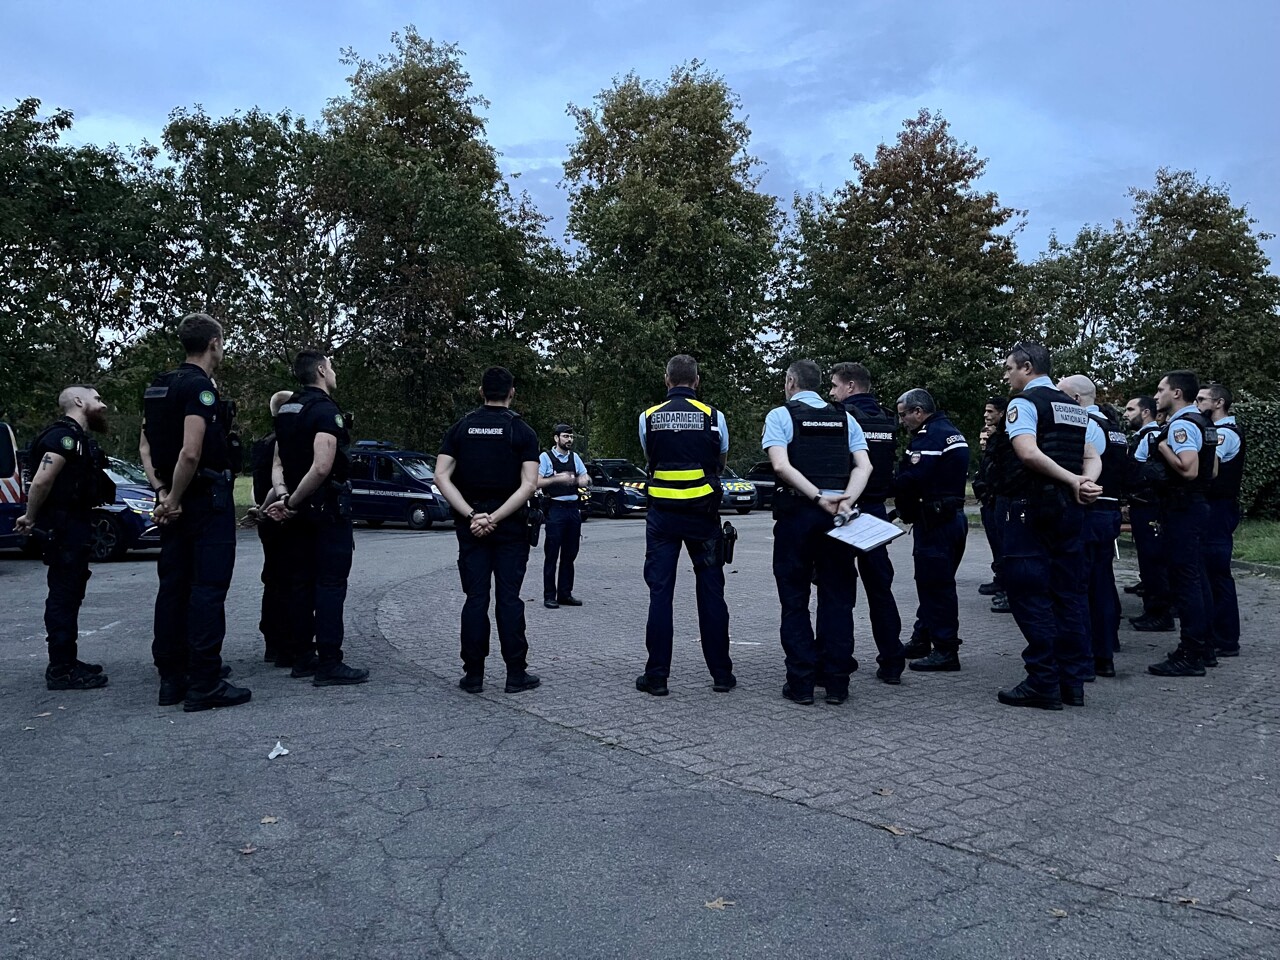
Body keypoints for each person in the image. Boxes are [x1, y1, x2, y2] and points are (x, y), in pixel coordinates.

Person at [139, 313, 250, 711]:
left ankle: (172, 678)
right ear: (214, 344)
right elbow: (191, 450)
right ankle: (205, 682)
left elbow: (146, 447)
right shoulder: (200, 389)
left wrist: (162, 493)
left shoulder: (158, 387)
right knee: (207, 589)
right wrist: (176, 497)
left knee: (173, 587)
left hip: (173, 499)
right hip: (203, 499)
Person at [994, 342, 1101, 710]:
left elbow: (1026, 451)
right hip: (1070, 513)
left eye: (1009, 367)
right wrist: (1085, 482)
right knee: (1067, 596)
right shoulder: (1073, 406)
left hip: (1031, 509)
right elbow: (1092, 455)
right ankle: (1072, 683)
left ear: (1026, 367)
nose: (1006, 374)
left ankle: (1043, 681)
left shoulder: (1024, 403)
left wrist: (1073, 481)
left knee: (1030, 596)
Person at [764, 360, 873, 705]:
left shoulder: (780, 416)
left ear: (791, 382)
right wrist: (845, 500)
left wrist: (816, 496)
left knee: (794, 600)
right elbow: (865, 465)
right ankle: (836, 682)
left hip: (798, 514)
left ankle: (801, 683)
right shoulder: (846, 417)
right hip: (838, 518)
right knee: (837, 599)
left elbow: (781, 465)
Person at [434, 366, 541, 695]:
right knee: (509, 599)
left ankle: (474, 675)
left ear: (481, 391)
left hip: (471, 529)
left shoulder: (461, 428)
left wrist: (472, 515)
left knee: (475, 599)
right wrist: (494, 517)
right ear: (512, 392)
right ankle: (515, 674)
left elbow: (440, 476)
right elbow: (529, 485)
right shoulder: (522, 432)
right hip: (509, 527)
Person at [634, 355, 733, 697]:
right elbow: (720, 461)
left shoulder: (648, 417)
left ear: (667, 379)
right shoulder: (714, 417)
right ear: (697, 381)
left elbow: (651, 458)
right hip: (703, 515)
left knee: (660, 594)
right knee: (711, 592)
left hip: (662, 516)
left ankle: (657, 676)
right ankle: (722, 674)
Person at [268, 352, 369, 686]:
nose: (335, 372)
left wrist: (284, 496)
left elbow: (280, 460)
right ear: (322, 370)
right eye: (333, 366)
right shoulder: (325, 410)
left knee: (300, 583)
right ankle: (329, 661)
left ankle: (301, 657)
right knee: (329, 584)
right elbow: (323, 465)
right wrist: (295, 501)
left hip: (297, 514)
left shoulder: (287, 409)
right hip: (325, 511)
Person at [14, 386, 114, 690]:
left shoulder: (77, 439)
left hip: (74, 526)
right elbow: (43, 480)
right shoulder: (63, 438)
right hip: (64, 528)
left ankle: (67, 660)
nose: (104, 405)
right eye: (97, 399)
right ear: (80, 401)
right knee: (63, 597)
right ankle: (60, 669)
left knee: (70, 595)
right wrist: (30, 517)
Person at [828, 362, 906, 683]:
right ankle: (892, 662)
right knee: (880, 590)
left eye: (834, 386)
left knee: (840, 591)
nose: (831, 392)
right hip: (875, 511)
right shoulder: (888, 419)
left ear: (850, 386)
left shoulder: (841, 417)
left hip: (847, 510)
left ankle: (841, 660)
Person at [1142, 371, 1219, 677]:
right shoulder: (1205, 423)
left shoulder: (1181, 426)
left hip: (1182, 507)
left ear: (1176, 393)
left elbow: (1188, 470)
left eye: (1161, 390)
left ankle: (1190, 653)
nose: (1156, 395)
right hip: (1197, 505)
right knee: (1197, 578)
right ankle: (1205, 646)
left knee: (1186, 581)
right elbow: (1211, 471)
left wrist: (1161, 447)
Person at [894, 389, 970, 672]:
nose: (902, 421)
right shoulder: (950, 431)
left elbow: (914, 477)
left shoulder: (930, 437)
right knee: (933, 582)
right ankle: (923, 637)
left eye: (904, 415)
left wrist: (886, 486)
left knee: (936, 586)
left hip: (936, 520)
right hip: (951, 517)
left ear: (918, 411)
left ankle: (946, 649)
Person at [1058, 375, 1127, 679]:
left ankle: (1085, 657)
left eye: (1061, 396)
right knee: (1102, 583)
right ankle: (1105, 651)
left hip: (1089, 509)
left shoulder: (1086, 425)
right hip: (1109, 510)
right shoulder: (1116, 429)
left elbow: (1085, 466)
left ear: (1075, 399)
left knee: (1080, 586)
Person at [1196, 383, 1245, 658]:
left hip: (1218, 508)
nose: (1198, 403)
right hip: (1216, 508)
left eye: (1202, 399)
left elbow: (1211, 467)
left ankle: (1225, 637)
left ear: (1219, 403)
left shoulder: (1225, 434)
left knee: (1216, 571)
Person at [249, 390, 295, 666]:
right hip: (278, 513)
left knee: (272, 579)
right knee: (288, 581)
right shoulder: (285, 443)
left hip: (265, 520)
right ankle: (287, 640)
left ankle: (272, 640)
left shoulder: (261, 444)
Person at [1123, 395, 1172, 629]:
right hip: (1141, 503)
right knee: (1147, 558)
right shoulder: (1143, 436)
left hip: (1150, 505)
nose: (1125, 414)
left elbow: (1146, 472)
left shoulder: (1151, 436)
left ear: (1145, 413)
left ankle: (1160, 613)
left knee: (1154, 559)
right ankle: (1152, 607)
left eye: (1131, 409)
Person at [538, 423, 589, 609]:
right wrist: (556, 478)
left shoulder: (575, 458)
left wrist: (582, 480)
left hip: (573, 509)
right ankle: (549, 596)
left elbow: (585, 478)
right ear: (556, 438)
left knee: (570, 554)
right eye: (566, 436)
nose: (569, 440)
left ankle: (565, 594)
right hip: (555, 509)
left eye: (571, 437)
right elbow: (535, 481)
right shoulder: (546, 457)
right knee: (551, 554)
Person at [973, 397, 1011, 614]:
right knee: (996, 546)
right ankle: (1000, 579)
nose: (986, 416)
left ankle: (1008, 588)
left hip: (999, 500)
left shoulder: (1005, 439)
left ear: (1002, 413)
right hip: (989, 500)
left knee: (1005, 547)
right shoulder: (992, 438)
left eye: (990, 411)